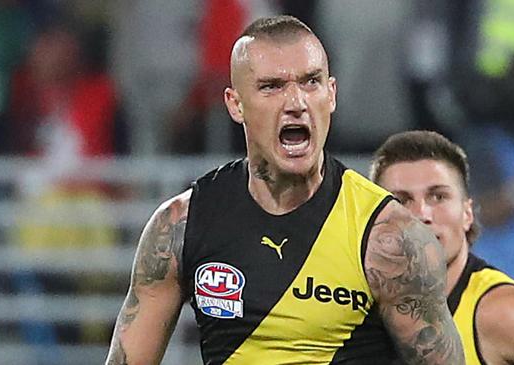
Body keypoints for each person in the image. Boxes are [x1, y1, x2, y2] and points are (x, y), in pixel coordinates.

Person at [105, 16, 464, 365]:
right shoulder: (181, 227)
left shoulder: (391, 240)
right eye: (272, 86)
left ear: (332, 94)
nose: (296, 103)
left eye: (311, 82)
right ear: (235, 104)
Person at [369, 130, 514, 364]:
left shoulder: (507, 315)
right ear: (374, 219)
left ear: (467, 214)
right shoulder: (347, 309)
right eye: (401, 201)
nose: (422, 214)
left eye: (438, 197)